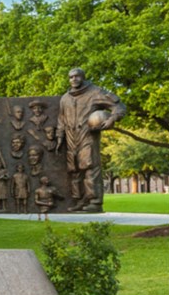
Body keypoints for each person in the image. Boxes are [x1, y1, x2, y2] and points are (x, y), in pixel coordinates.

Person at [54, 68, 126, 212]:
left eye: (77, 76)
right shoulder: (65, 98)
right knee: (74, 171)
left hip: (87, 135)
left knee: (90, 167)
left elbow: (119, 106)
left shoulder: (95, 92)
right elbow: (61, 119)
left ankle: (94, 201)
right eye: (71, 77)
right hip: (70, 138)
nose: (74, 79)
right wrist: (60, 136)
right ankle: (80, 200)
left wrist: (112, 118)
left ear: (83, 77)